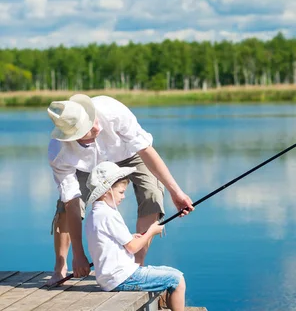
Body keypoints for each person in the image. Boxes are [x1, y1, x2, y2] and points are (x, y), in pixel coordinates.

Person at [46, 93, 194, 286]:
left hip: (129, 153)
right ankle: (61, 266)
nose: (97, 127)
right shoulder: (60, 153)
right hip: (85, 165)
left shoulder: (112, 110)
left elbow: (146, 150)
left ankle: (135, 268)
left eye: (93, 120)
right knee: (65, 207)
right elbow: (72, 201)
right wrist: (79, 254)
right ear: (72, 136)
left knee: (153, 194)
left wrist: (177, 192)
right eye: (88, 130)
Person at [84, 161, 186, 311]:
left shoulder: (94, 215)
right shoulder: (109, 215)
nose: (124, 197)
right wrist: (151, 231)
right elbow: (132, 248)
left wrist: (132, 236)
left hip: (109, 278)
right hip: (122, 278)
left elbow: (109, 241)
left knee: (169, 273)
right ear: (107, 191)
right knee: (177, 279)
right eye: (121, 192)